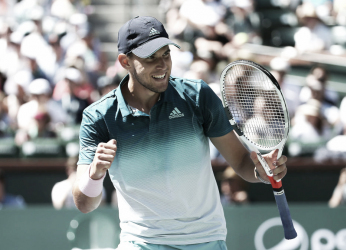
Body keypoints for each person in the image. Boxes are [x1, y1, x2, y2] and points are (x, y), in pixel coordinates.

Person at [73, 16, 288, 250]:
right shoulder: (99, 117)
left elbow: (241, 162)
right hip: (142, 242)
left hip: (205, 239)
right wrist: (95, 175)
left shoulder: (198, 96)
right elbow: (84, 203)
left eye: (166, 54)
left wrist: (261, 170)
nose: (162, 65)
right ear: (125, 61)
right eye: (150, 58)